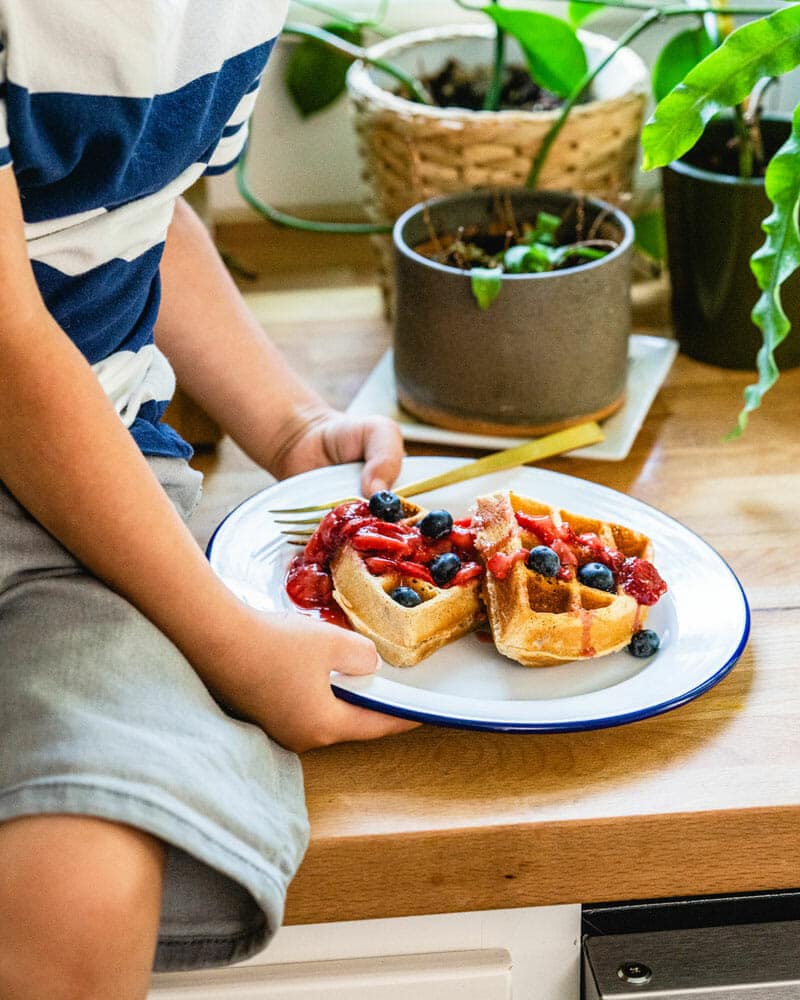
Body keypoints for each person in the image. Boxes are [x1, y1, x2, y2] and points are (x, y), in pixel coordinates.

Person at [0, 3, 418, 997]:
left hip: (88, 509)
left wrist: (286, 423)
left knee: (84, 889)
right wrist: (232, 645)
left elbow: (134, 208)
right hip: (37, 416)